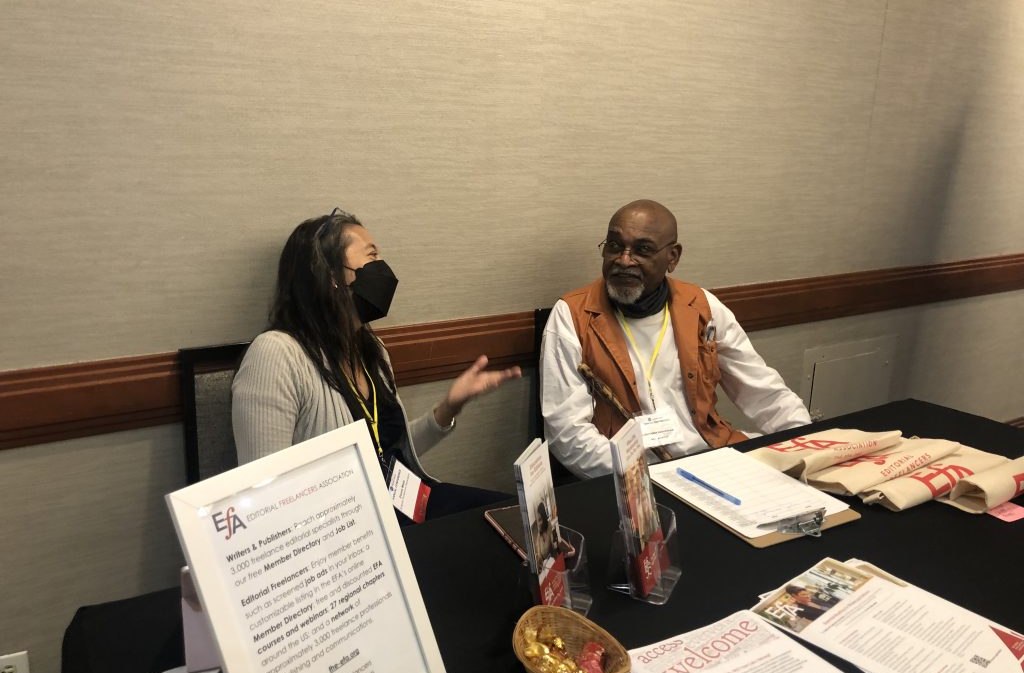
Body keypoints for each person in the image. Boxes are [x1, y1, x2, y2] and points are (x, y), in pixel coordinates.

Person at [232, 208, 521, 521]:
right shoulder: (276, 355)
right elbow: (264, 498)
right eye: (371, 256)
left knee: (516, 516)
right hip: (349, 534)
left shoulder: (373, 350)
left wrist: (448, 408)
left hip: (404, 502)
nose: (381, 267)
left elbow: (387, 452)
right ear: (330, 275)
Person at [541, 199, 811, 478]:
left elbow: (762, 391)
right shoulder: (572, 316)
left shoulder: (702, 306)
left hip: (713, 455)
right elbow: (568, 435)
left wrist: (808, 446)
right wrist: (643, 479)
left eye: (642, 249)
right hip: (632, 473)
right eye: (614, 246)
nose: (624, 260)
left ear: (673, 257)